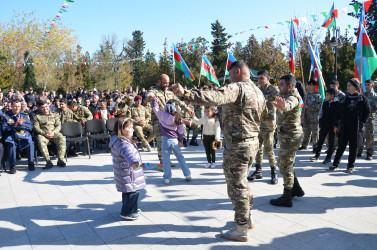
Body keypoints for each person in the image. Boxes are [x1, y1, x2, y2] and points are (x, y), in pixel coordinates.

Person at [172, 60, 267, 242]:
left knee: (236, 187)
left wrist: (186, 93)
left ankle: (240, 228)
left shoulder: (237, 88)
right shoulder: (258, 91)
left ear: (237, 72)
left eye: (230, 75)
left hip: (238, 146)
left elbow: (215, 97)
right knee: (243, 183)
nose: (229, 79)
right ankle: (247, 218)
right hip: (252, 143)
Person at [270, 74, 305, 208]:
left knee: (285, 165)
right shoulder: (285, 95)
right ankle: (296, 189)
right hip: (287, 136)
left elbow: (289, 105)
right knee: (286, 163)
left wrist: (284, 107)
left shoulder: (293, 97)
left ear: (290, 86)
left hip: (291, 137)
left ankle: (287, 197)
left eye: (281, 84)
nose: (279, 86)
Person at [146, 74, 189, 166]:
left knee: (171, 140)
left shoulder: (170, 92)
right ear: (159, 82)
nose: (166, 85)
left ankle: (167, 159)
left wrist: (187, 109)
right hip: (158, 120)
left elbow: (178, 102)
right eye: (165, 83)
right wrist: (150, 97)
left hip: (170, 120)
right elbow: (148, 94)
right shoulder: (154, 90)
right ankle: (163, 161)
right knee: (161, 140)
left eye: (168, 83)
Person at [109, 117, 146, 221]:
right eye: (130, 127)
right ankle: (127, 212)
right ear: (121, 129)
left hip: (126, 172)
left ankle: (131, 208)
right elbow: (128, 154)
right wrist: (134, 163)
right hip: (129, 173)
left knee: (128, 192)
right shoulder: (122, 143)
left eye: (132, 127)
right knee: (132, 192)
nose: (132, 129)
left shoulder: (120, 139)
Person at [330, 78, 370, 173]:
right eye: (347, 85)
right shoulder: (344, 99)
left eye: (350, 85)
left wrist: (363, 122)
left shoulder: (362, 99)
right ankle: (335, 164)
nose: (348, 87)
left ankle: (350, 166)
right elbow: (337, 113)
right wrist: (335, 125)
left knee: (353, 147)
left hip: (356, 127)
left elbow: (367, 112)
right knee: (341, 146)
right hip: (344, 127)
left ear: (356, 87)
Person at [248, 70, 279, 184]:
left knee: (269, 149)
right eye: (259, 78)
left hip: (269, 123)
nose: (260, 80)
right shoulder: (258, 90)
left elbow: (280, 106)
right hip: (258, 123)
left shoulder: (274, 90)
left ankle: (273, 172)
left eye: (262, 78)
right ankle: (258, 170)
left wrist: (276, 122)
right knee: (258, 148)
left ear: (268, 78)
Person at [152, 98, 191, 185]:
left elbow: (155, 108)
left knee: (166, 160)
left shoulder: (161, 115)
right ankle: (187, 174)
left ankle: (167, 178)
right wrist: (180, 140)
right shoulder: (178, 118)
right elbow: (181, 131)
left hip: (165, 140)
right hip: (175, 141)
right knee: (180, 158)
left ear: (166, 107)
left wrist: (155, 100)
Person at [2, 100, 35, 173]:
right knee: (11, 144)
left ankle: (31, 163)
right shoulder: (6, 116)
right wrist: (15, 125)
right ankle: (12, 166)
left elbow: (30, 127)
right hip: (12, 137)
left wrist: (21, 125)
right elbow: (4, 130)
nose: (17, 108)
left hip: (23, 136)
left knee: (30, 143)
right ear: (11, 106)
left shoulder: (24, 115)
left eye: (19, 106)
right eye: (15, 106)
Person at [33, 100, 66, 169]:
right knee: (40, 140)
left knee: (62, 138)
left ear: (48, 106)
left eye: (46, 106)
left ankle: (60, 160)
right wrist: (44, 133)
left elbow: (58, 125)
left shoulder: (54, 114)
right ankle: (48, 161)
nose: (45, 109)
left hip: (54, 133)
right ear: (39, 108)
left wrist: (53, 132)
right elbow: (36, 128)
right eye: (42, 107)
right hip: (43, 134)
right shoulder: (37, 116)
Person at [310, 88, 338, 164]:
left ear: (332, 96)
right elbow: (321, 112)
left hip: (333, 125)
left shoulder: (337, 104)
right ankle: (317, 155)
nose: (326, 96)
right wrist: (320, 120)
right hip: (324, 124)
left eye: (327, 95)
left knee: (331, 141)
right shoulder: (325, 103)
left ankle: (328, 157)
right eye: (326, 95)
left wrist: (336, 125)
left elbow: (338, 115)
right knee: (321, 140)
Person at [298, 80, 322, 151]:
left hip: (314, 117)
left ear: (314, 86)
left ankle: (315, 146)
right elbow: (302, 106)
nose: (309, 87)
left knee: (315, 132)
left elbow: (318, 106)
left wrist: (309, 107)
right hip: (306, 116)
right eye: (308, 85)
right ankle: (304, 145)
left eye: (311, 85)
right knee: (306, 131)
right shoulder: (306, 95)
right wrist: (302, 115)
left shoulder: (317, 95)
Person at [357, 79, 377, 160]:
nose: (366, 86)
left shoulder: (375, 96)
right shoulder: (362, 95)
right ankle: (359, 151)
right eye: (365, 85)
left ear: (372, 85)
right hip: (362, 118)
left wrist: (367, 108)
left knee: (369, 136)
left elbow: (374, 107)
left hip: (370, 119)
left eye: (368, 85)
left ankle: (369, 153)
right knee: (360, 135)